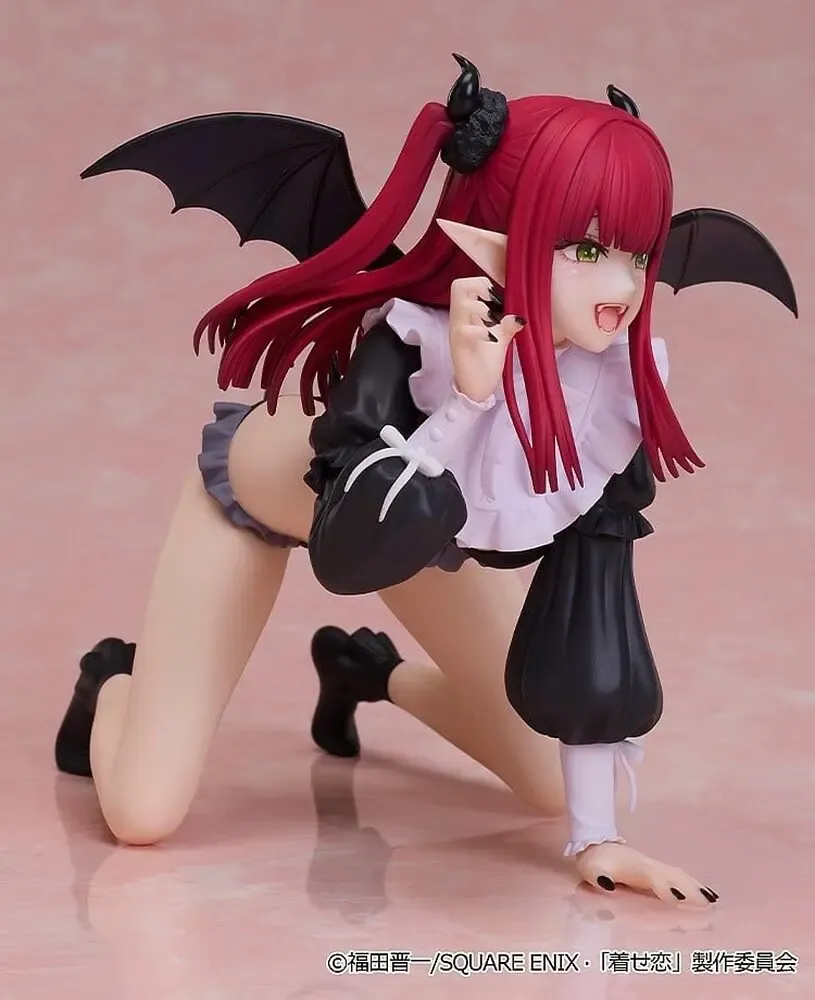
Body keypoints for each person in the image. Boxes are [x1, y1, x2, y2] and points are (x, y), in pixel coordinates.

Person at [56, 56, 725, 905]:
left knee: (545, 784)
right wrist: (464, 404)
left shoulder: (610, 390)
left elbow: (588, 609)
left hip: (414, 539)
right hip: (284, 506)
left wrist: (599, 839)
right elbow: (349, 549)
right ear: (494, 237)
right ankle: (114, 680)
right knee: (143, 814)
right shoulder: (412, 342)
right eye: (588, 248)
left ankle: (366, 673)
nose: (623, 285)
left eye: (636, 251)